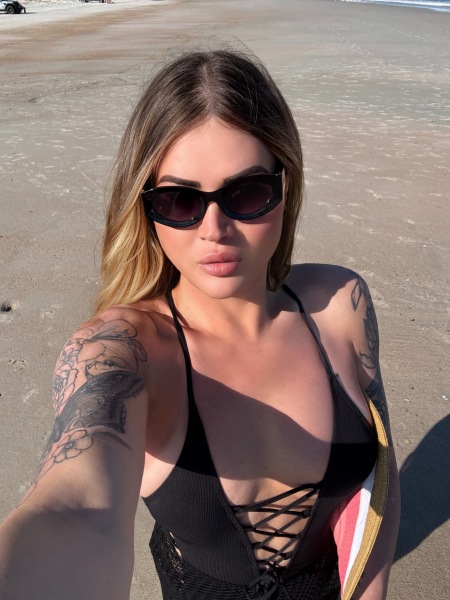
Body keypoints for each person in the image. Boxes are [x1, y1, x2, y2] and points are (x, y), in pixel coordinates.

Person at [0, 48, 400, 600]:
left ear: (285, 186)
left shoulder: (341, 303)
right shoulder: (123, 350)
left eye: (246, 193)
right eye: (180, 200)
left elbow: (381, 475)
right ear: (145, 206)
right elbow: (77, 507)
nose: (215, 229)